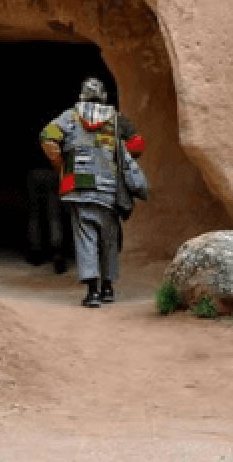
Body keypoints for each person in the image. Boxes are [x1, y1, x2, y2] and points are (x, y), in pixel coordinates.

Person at [39, 77, 145, 307]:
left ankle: (92, 292)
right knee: (109, 239)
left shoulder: (70, 117)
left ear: (82, 95)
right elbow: (138, 144)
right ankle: (108, 288)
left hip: (78, 187)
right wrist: (121, 157)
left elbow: (47, 136)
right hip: (110, 189)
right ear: (104, 96)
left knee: (85, 237)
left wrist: (60, 163)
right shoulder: (116, 119)